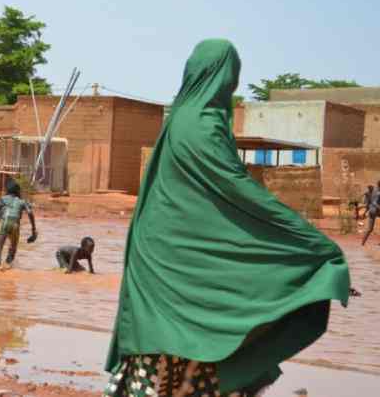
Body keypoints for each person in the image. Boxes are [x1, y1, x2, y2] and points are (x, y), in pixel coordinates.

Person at [103, 40, 352, 397]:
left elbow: (201, 205)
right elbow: (236, 191)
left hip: (159, 259)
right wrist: (312, 247)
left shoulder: (179, 119)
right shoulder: (203, 123)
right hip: (180, 268)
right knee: (188, 355)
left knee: (164, 353)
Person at [0, 180, 37, 271]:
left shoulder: (4, 199)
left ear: (7, 190)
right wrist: (33, 230)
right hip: (16, 225)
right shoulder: (22, 201)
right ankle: (7, 265)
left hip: (5, 222)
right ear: (18, 191)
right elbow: (30, 212)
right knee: (13, 249)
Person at [361, 181, 380, 246]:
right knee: (369, 229)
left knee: (369, 229)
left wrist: (364, 212)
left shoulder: (372, 191)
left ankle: (362, 243)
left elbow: (369, 203)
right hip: (376, 211)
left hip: (371, 211)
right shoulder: (377, 192)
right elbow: (374, 203)